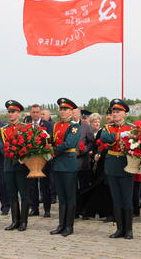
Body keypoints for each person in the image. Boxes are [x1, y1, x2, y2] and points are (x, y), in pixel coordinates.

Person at [100, 99, 135, 240]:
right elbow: (104, 138)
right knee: (116, 199)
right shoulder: (107, 128)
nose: (114, 114)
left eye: (117, 112)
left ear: (124, 113)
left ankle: (129, 230)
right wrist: (120, 135)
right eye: (113, 112)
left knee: (127, 199)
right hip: (112, 166)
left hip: (127, 165)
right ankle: (119, 228)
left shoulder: (131, 128)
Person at [0, 100, 30, 231]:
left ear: (19, 113)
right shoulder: (3, 130)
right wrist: (13, 154)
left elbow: (29, 147)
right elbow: (2, 148)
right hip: (9, 165)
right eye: (9, 112)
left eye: (13, 112)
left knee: (24, 194)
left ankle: (24, 222)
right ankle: (14, 221)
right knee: (11, 194)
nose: (10, 114)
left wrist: (21, 156)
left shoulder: (25, 128)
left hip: (22, 166)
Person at [50, 98, 81, 237]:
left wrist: (53, 151)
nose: (62, 111)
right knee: (61, 197)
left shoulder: (74, 126)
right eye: (61, 109)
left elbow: (69, 144)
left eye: (65, 109)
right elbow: (52, 140)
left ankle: (69, 226)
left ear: (71, 111)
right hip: (58, 165)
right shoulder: (56, 125)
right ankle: (61, 224)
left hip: (68, 163)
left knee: (70, 196)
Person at [77, 112, 113, 222]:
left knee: (105, 188)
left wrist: (99, 153)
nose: (97, 123)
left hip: (106, 163)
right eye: (94, 122)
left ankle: (107, 213)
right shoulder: (100, 131)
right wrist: (96, 153)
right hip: (97, 164)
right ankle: (95, 211)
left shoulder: (105, 130)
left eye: (98, 121)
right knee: (98, 188)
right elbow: (96, 145)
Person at [27, 104, 53, 218]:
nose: (35, 114)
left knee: (45, 185)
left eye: (37, 112)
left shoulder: (47, 125)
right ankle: (34, 208)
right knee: (32, 185)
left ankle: (47, 209)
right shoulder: (27, 126)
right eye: (33, 112)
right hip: (31, 159)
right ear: (30, 113)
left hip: (43, 159)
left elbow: (51, 139)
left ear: (40, 113)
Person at [72, 108, 94, 192]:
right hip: (70, 162)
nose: (72, 115)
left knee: (84, 187)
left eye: (74, 113)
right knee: (72, 188)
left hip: (82, 162)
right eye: (71, 113)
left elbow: (91, 142)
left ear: (79, 114)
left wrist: (83, 150)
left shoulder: (86, 126)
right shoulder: (68, 126)